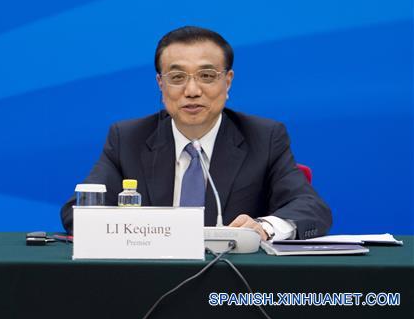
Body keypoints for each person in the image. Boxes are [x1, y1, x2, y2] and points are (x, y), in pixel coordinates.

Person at [60, 26, 331, 241]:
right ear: (160, 84)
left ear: (227, 81)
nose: (191, 91)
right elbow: (77, 211)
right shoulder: (128, 138)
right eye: (177, 78)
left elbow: (311, 208)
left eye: (206, 76)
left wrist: (264, 227)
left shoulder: (264, 137)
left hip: (236, 284)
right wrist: (142, 232)